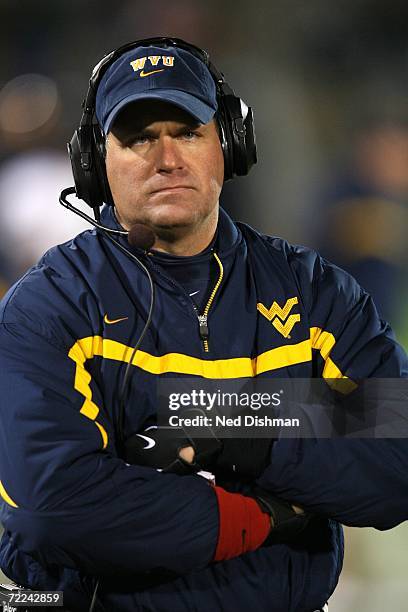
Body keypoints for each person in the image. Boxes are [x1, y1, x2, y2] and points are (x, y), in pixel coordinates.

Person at [0, 37, 406, 612]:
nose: (167, 159)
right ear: (93, 164)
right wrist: (262, 517)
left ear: (231, 145)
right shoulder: (49, 308)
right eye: (139, 137)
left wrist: (232, 429)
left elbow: (397, 457)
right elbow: (51, 507)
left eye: (188, 132)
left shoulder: (316, 294)